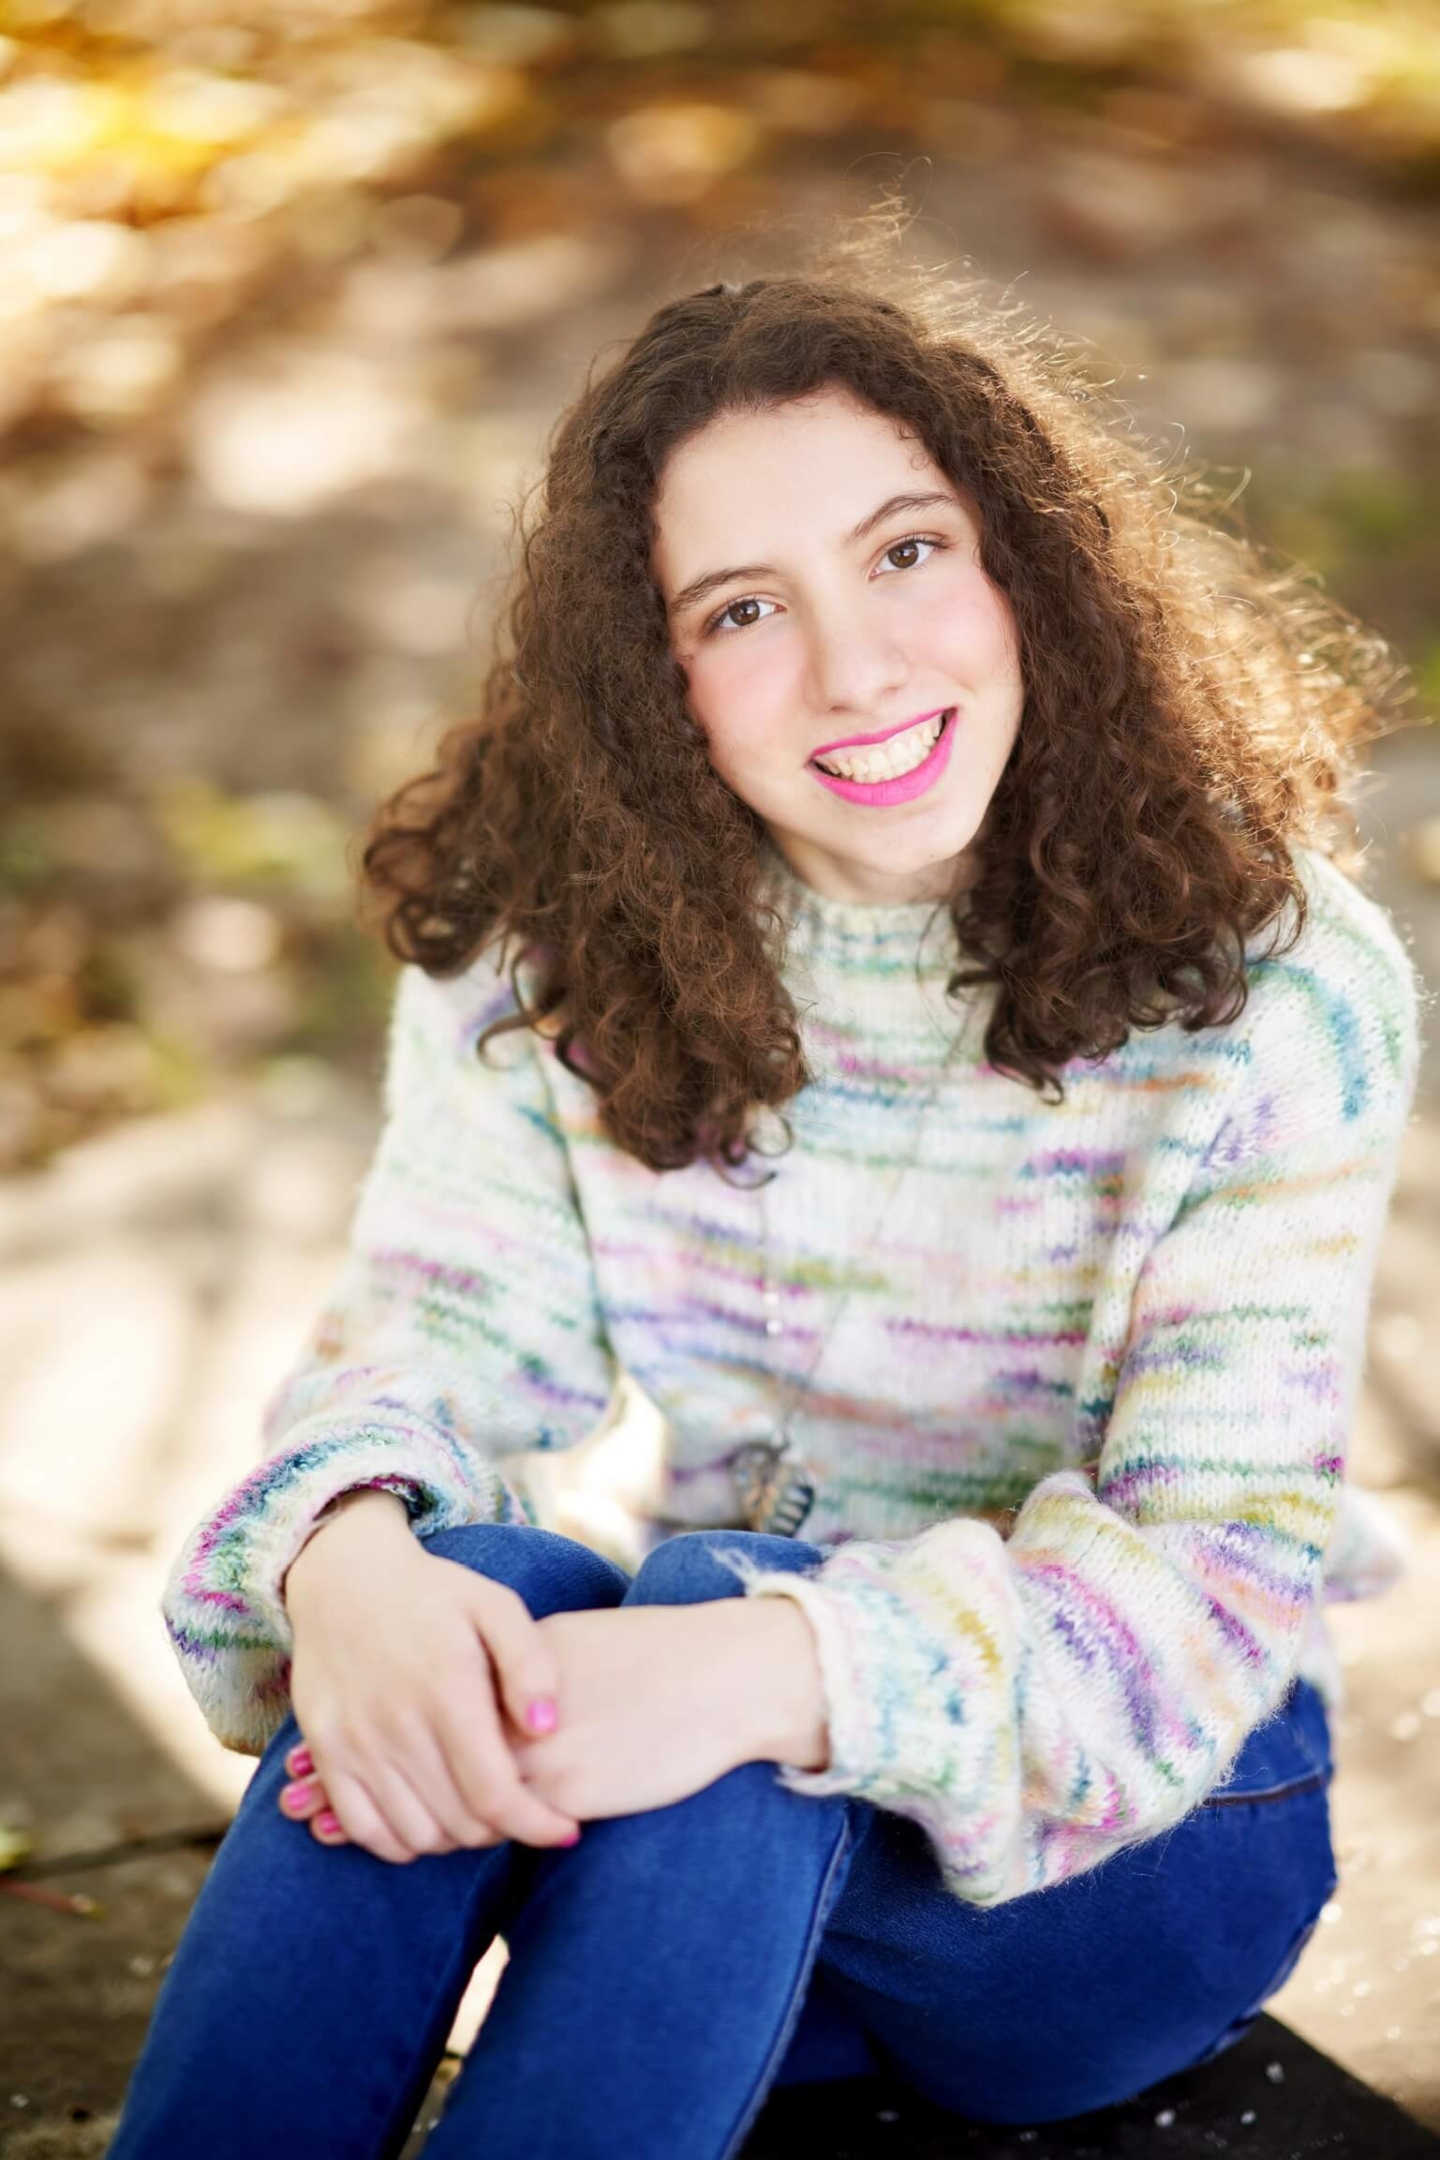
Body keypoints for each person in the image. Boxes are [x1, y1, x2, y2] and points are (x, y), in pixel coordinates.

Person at [111, 215, 1425, 2160]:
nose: (854, 665)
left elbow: (1212, 1580)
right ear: (658, 687)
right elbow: (440, 1341)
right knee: (463, 1584)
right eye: (740, 610)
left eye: (905, 552)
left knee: (732, 1614)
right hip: (694, 1811)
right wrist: (347, 1557)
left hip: (1130, 1840)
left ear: (1022, 565)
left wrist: (778, 1657)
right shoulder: (548, 963)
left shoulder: (1274, 986)